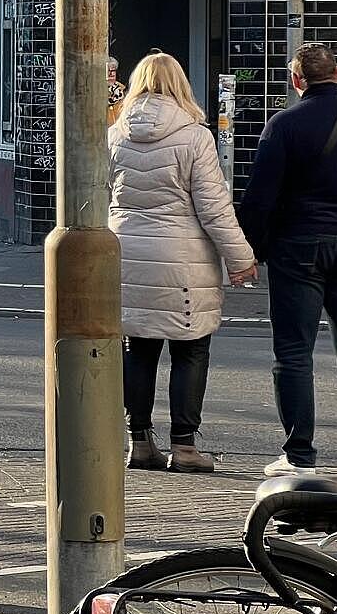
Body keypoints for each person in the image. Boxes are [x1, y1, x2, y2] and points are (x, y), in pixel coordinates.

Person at [109, 52, 256, 473]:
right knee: (191, 351)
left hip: (129, 255)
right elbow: (214, 208)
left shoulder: (115, 133)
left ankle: (139, 442)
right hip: (183, 259)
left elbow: (103, 192)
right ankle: (185, 447)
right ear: (181, 84)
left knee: (138, 349)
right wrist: (240, 258)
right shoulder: (194, 136)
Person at [241, 43, 337, 476]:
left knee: (293, 352)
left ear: (296, 80)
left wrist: (250, 249)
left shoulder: (283, 124)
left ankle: (300, 456)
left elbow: (260, 197)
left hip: (298, 246)